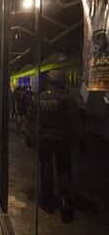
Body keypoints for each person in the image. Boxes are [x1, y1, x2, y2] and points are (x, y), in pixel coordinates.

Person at [27, 70, 79, 223]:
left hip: (43, 138)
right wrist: (81, 139)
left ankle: (47, 200)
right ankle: (65, 201)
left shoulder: (38, 98)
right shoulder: (66, 98)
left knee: (46, 168)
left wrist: (29, 136)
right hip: (62, 138)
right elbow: (75, 119)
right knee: (63, 169)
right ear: (61, 81)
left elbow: (31, 119)